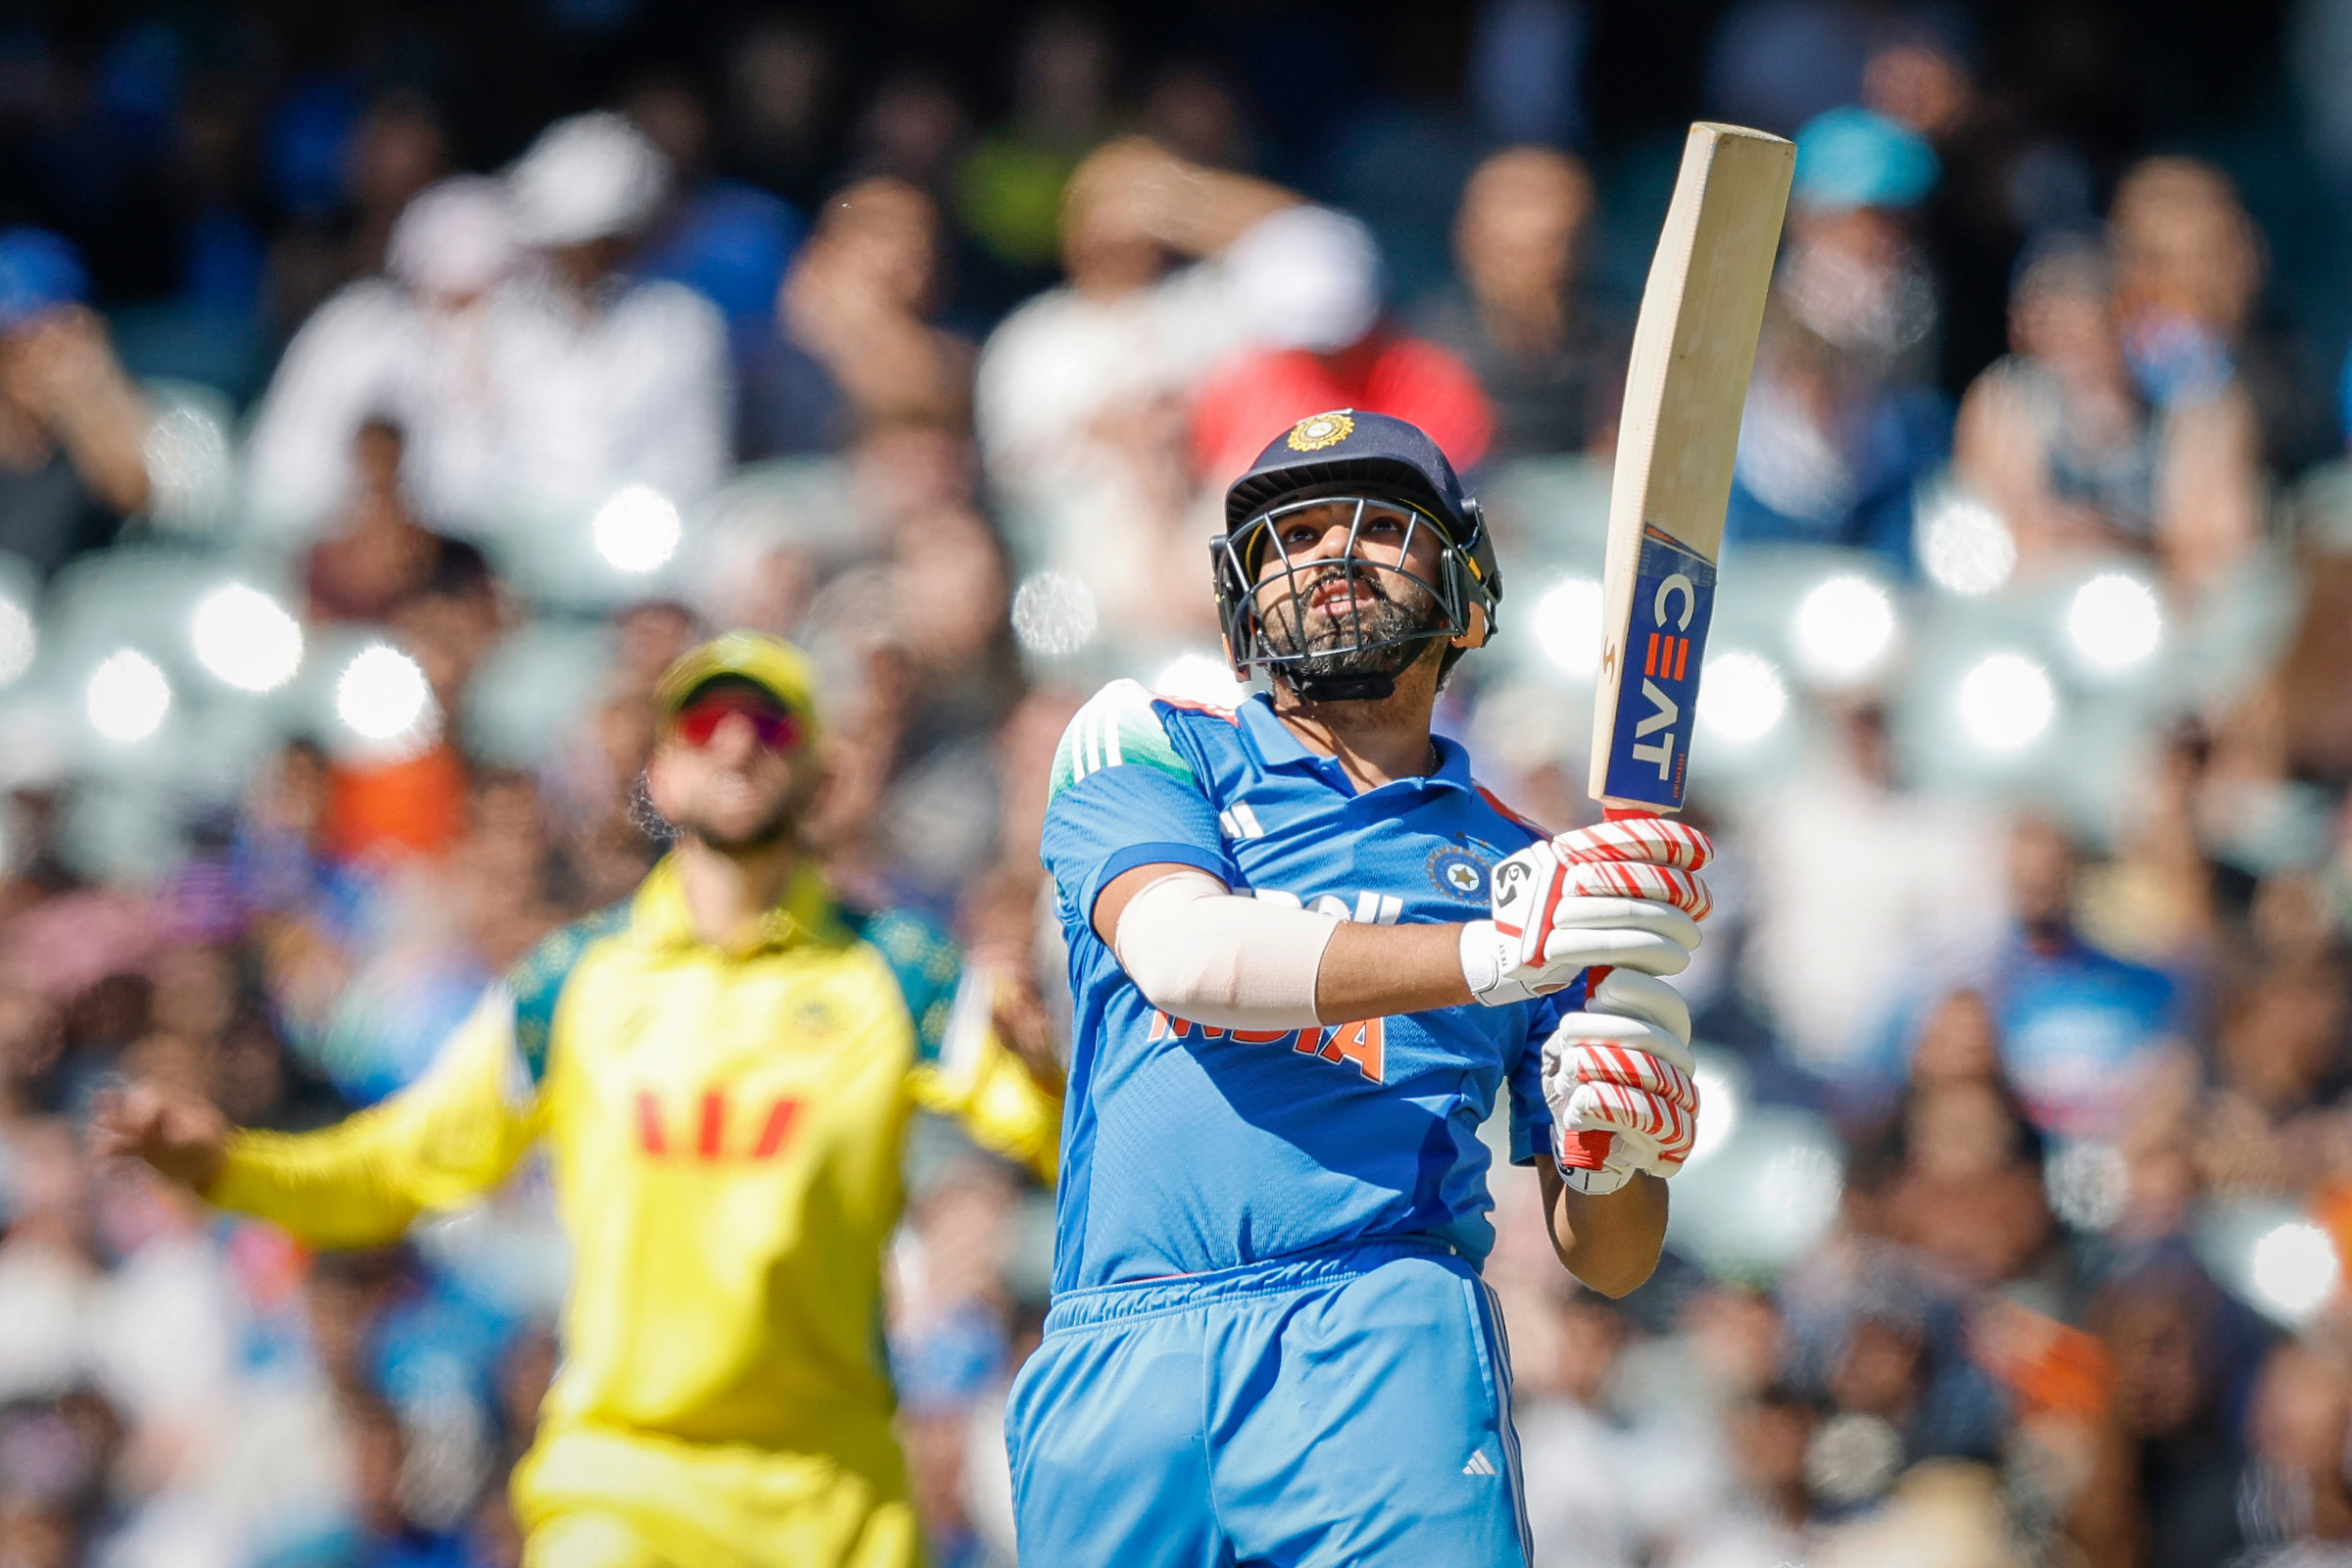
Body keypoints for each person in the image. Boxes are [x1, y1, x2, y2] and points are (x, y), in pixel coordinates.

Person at [93, 631, 1061, 1568]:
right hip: (622, 1482)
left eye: (769, 725)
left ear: (819, 774)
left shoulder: (898, 973)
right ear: (661, 775)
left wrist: (1048, 1074)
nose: (734, 740)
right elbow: (406, 1164)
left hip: (833, 1498)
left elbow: (1073, 1155)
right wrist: (226, 1167)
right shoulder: (574, 984)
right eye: (705, 721)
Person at [1006, 410, 1714, 1564]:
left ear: (1464, 582)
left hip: (1379, 1334)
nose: (1333, 559)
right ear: (1243, 592)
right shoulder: (1147, 739)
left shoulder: (1529, 873)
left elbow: (1610, 1254)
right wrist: (1492, 953)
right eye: (1293, 537)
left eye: (1384, 527)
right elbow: (1188, 956)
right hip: (1120, 1356)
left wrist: (1623, 1144)